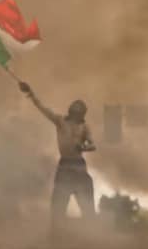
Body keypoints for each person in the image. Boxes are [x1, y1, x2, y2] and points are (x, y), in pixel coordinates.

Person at [19, 81, 97, 238]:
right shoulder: (61, 122)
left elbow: (93, 144)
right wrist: (31, 94)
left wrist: (83, 148)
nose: (76, 112)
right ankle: (56, 237)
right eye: (74, 109)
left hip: (79, 167)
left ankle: (93, 237)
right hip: (65, 166)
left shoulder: (84, 127)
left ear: (82, 113)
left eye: (79, 110)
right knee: (58, 205)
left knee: (87, 206)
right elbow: (43, 109)